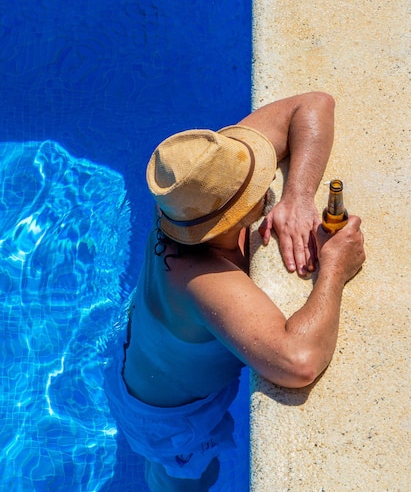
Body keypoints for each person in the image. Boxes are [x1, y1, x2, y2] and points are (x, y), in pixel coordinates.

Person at [105, 92, 365, 491]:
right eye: (258, 185)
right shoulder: (202, 281)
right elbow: (298, 363)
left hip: (146, 363)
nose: (266, 180)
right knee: (190, 478)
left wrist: (297, 195)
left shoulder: (191, 195)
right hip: (169, 419)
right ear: (231, 214)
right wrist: (335, 266)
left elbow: (314, 105)